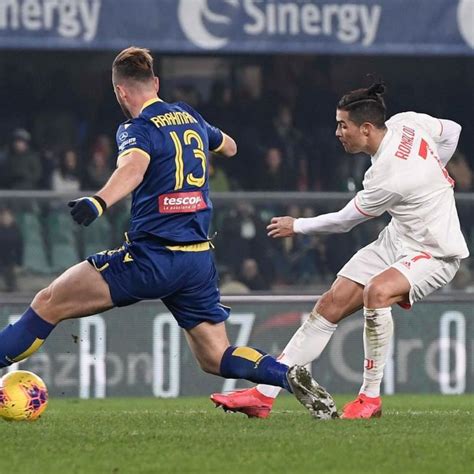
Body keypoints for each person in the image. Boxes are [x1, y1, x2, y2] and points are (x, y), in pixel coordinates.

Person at [0, 47, 335, 419]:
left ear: (121, 93)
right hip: (196, 262)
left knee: (48, 303)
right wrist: (205, 146)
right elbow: (231, 146)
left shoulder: (136, 128)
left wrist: (99, 201)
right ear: (156, 83)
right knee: (216, 357)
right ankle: (287, 374)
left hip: (151, 259)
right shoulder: (189, 115)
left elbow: (133, 169)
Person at [211, 81, 468, 419]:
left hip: (435, 249)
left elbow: (345, 221)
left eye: (342, 125)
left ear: (365, 129)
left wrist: (297, 225)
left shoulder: (390, 175)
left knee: (377, 293)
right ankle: (263, 395)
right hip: (399, 236)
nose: (337, 132)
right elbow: (452, 130)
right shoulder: (409, 122)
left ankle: (370, 399)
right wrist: (434, 173)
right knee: (330, 303)